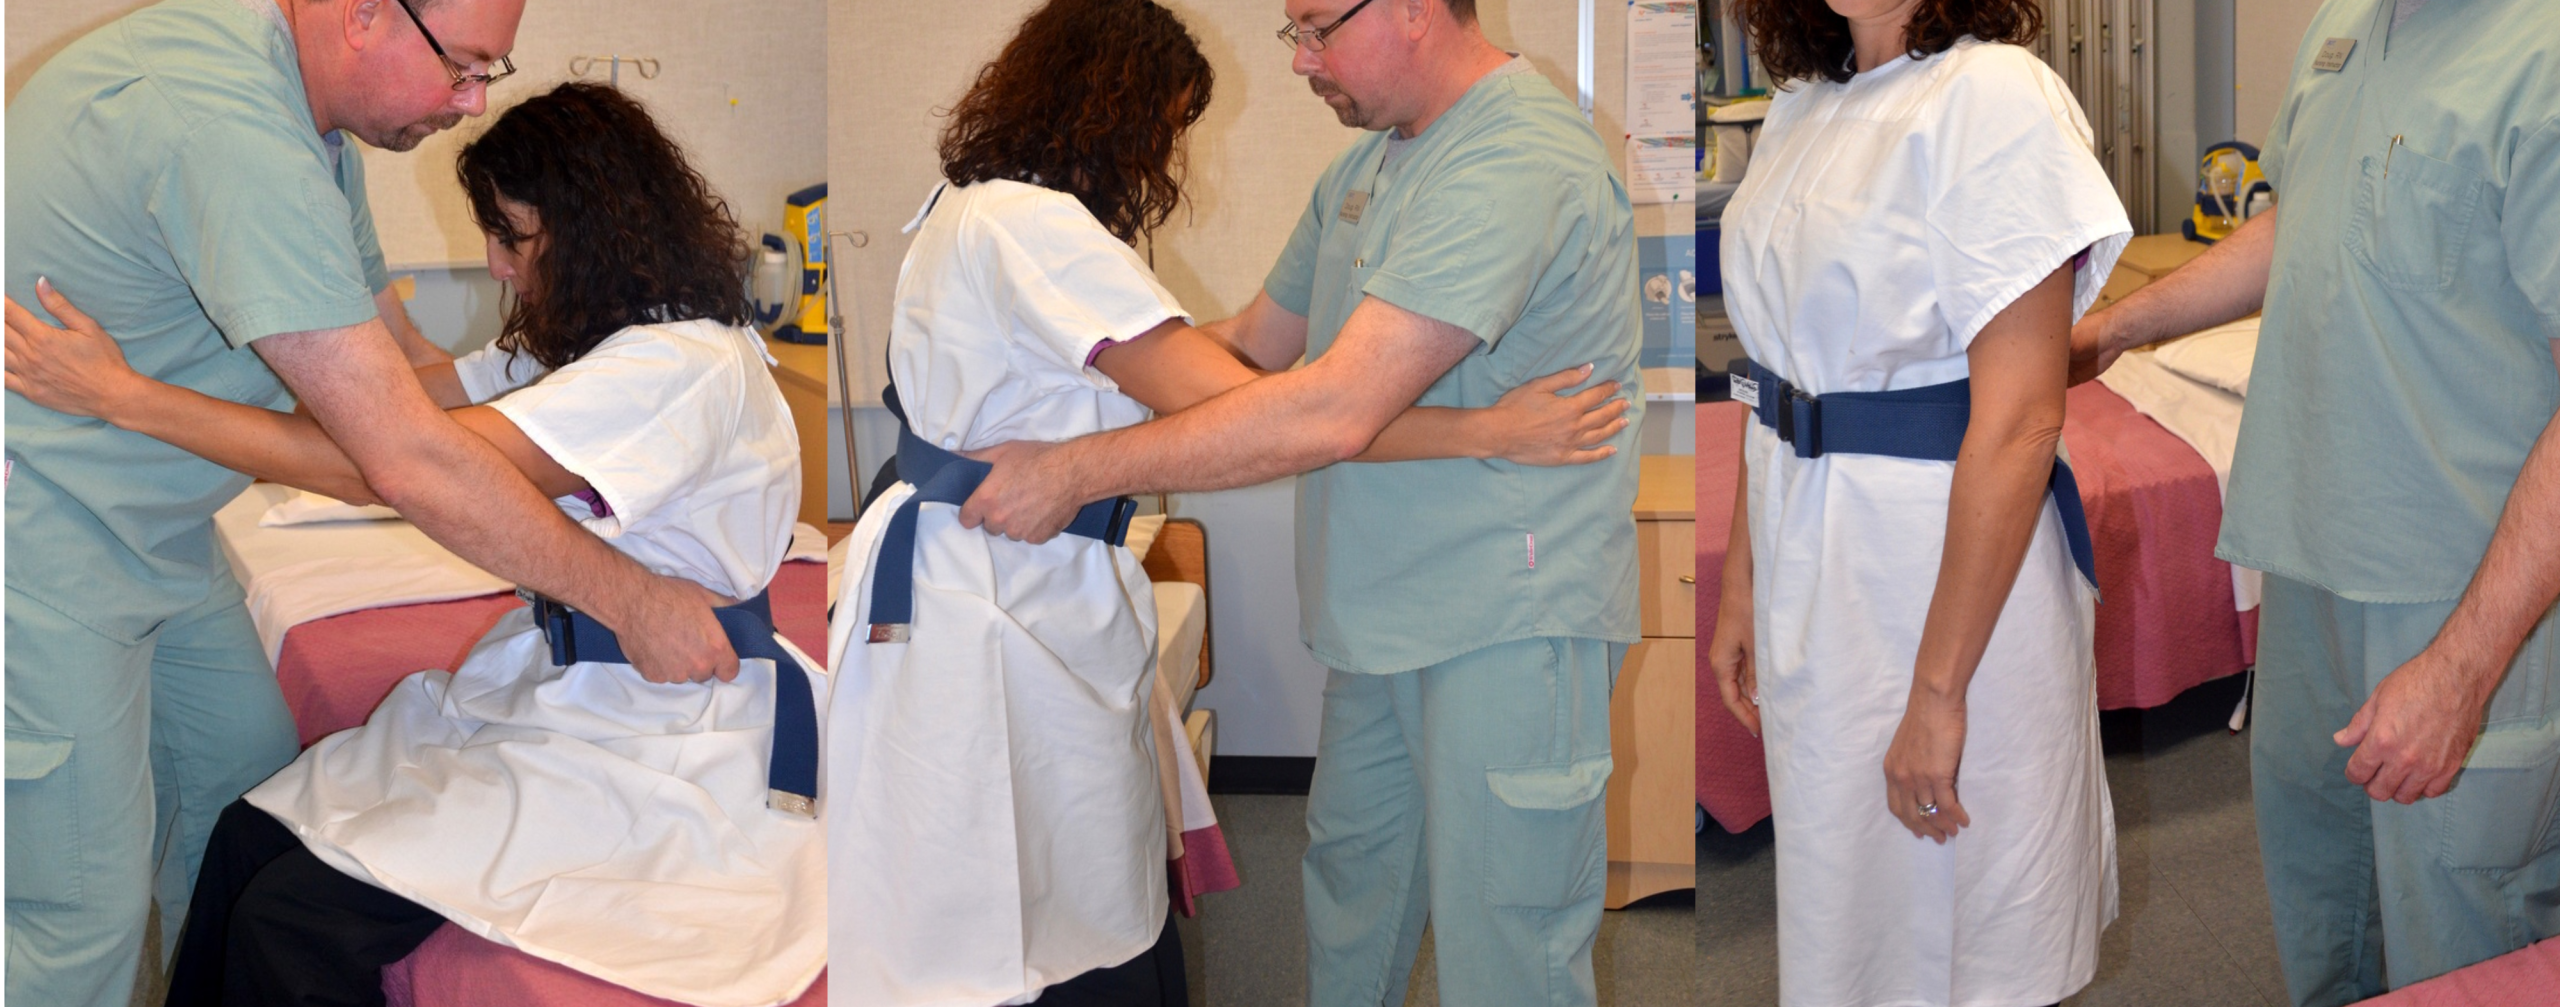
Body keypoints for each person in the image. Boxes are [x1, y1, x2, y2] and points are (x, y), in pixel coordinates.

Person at [828, 3, 1627, 1003]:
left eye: (1314, 29)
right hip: (1377, 610)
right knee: (1352, 888)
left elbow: (1327, 413)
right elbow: (1247, 346)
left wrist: (1078, 461)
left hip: (1504, 606)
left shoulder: (1515, 159)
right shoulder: (1363, 173)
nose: (1298, 61)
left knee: (1503, 929)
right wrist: (1077, 365)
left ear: (1414, 11)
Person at [5, 82, 823, 1007]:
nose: (496, 265)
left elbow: (390, 464)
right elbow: (413, 391)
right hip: (567, 688)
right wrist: (317, 275)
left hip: (660, 726)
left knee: (290, 921)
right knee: (246, 835)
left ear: (589, 227)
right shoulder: (598, 344)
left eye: (512, 236)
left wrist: (125, 399)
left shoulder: (677, 367)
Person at [2070, 0, 2559, 999]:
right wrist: (2120, 327)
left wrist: (2462, 671)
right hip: (2310, 563)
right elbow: (2301, 221)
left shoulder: (2540, 52)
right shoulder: (2344, 25)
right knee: (2327, 910)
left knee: (2467, 937)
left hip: (2464, 591)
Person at [1699, 1, 2131, 1004]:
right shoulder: (1805, 99)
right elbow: (1774, 378)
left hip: (1938, 568)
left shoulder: (1994, 96)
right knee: (1850, 895)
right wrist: (1742, 588)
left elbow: (2022, 418)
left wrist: (1937, 695)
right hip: (1810, 546)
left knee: (1964, 909)